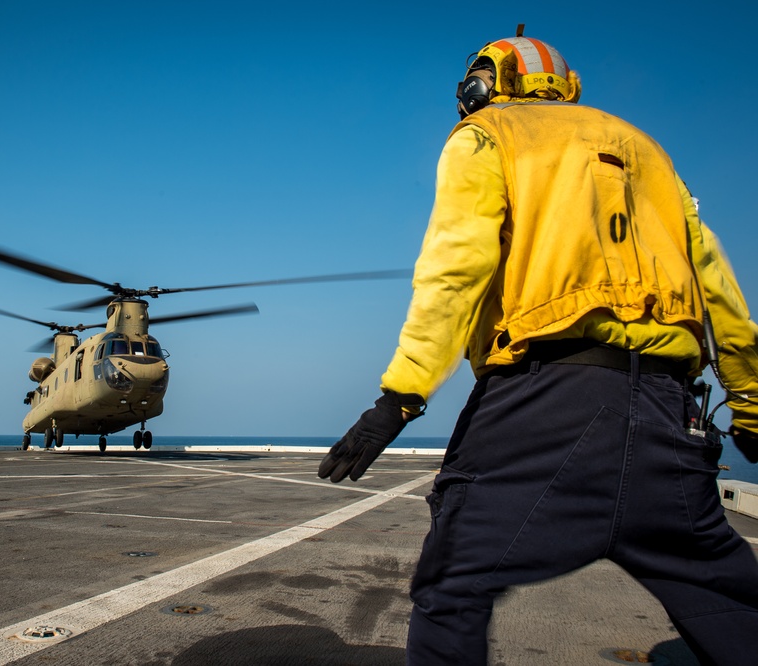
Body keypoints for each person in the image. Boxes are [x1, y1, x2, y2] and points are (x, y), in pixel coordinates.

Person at [318, 28, 758, 665]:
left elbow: (454, 272)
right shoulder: (647, 151)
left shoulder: (486, 136)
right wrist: (748, 403)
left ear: (483, 85)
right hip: (671, 414)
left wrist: (399, 398)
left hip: (544, 401)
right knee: (725, 599)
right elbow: (717, 285)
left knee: (451, 588)